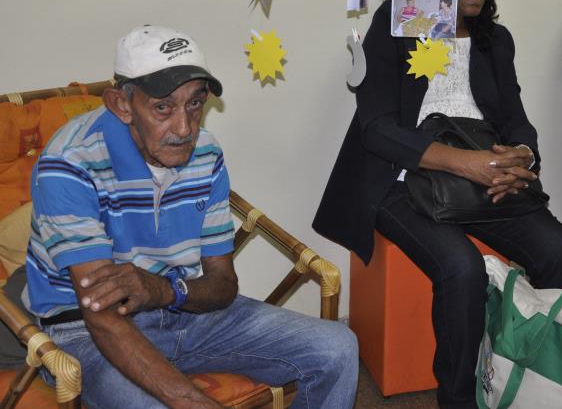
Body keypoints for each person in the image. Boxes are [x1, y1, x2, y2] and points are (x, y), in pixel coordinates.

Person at [315, 0, 562, 408]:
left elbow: (515, 118)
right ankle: (457, 400)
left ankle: (552, 389)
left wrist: (521, 156)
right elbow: (377, 129)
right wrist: (463, 164)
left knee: (560, 252)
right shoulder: (401, 22)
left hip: (484, 176)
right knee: (462, 268)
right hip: (402, 180)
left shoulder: (494, 40)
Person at [24, 25, 358, 409]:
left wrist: (166, 291)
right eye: (163, 108)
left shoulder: (206, 154)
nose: (184, 129)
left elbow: (223, 284)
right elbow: (102, 316)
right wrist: (193, 402)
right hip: (86, 332)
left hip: (184, 314)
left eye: (195, 104)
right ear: (121, 104)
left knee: (337, 347)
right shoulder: (70, 163)